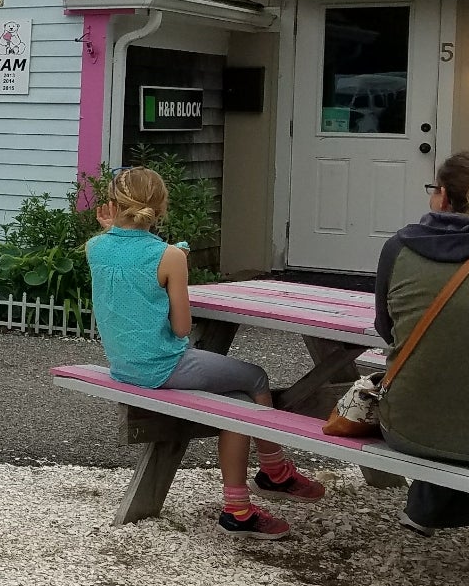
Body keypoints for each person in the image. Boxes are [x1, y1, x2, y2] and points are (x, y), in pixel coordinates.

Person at [87, 166, 323, 539]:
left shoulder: (95, 247)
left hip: (123, 364)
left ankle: (240, 507)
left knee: (238, 402)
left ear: (113, 205)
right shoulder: (169, 257)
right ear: (161, 206)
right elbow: (183, 328)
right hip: (162, 365)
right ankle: (274, 472)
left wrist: (111, 229)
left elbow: (119, 254)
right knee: (256, 377)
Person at [372, 151, 469, 536]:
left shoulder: (399, 247)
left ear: (443, 197)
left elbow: (386, 331)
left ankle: (429, 507)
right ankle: (430, 507)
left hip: (406, 427)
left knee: (440, 369)